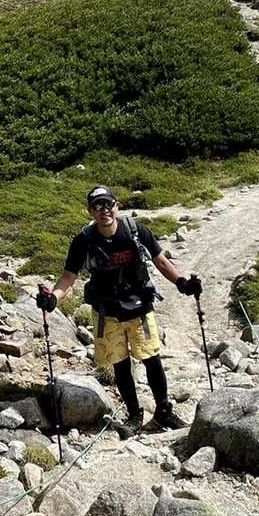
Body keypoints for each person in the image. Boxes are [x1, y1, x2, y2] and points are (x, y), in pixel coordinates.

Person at [37, 185, 201, 436]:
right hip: (106, 312)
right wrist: (53, 298)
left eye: (108, 204)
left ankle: (163, 411)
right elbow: (69, 277)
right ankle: (134, 415)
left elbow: (160, 261)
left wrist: (182, 283)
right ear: (90, 211)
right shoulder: (84, 240)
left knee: (152, 359)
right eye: (97, 206)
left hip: (139, 308)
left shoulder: (136, 231)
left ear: (117, 206)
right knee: (120, 364)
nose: (104, 210)